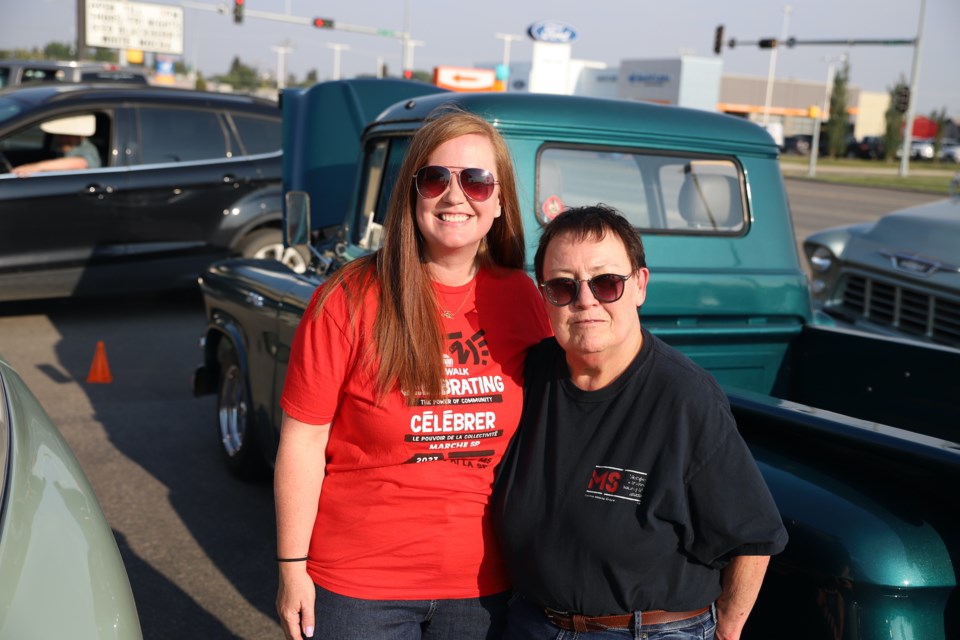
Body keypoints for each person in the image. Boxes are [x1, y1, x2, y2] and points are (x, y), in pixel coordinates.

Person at [274, 107, 551, 640]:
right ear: (412, 192)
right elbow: (303, 441)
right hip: (358, 590)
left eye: (476, 180)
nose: (455, 195)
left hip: (483, 588)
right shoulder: (347, 299)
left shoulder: (523, 299)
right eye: (435, 178)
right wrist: (291, 567)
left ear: (499, 203)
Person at [493, 204, 788, 640]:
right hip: (531, 623)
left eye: (606, 282)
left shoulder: (685, 397)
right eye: (563, 286)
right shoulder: (526, 376)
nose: (585, 301)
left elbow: (753, 537)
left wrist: (727, 630)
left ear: (640, 286)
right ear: (544, 296)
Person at [11, 114, 102, 176]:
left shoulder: (88, 149)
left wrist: (36, 167)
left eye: (69, 135)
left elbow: (81, 163)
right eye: (61, 135)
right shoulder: (64, 149)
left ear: (80, 135)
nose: (63, 139)